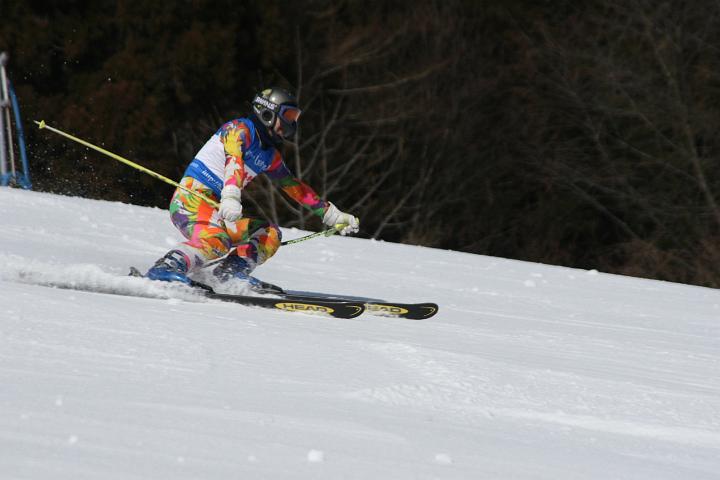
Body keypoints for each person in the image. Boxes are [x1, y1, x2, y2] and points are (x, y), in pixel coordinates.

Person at [145, 87, 359, 289]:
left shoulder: (269, 154)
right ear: (268, 113)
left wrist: (331, 215)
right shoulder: (239, 129)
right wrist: (231, 195)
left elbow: (293, 186)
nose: (291, 124)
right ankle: (166, 267)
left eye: (295, 118)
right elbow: (234, 160)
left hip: (218, 210)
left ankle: (229, 273)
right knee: (216, 240)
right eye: (288, 116)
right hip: (191, 200)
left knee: (269, 234)